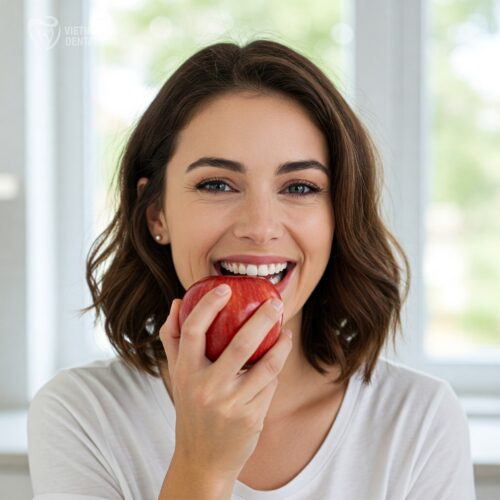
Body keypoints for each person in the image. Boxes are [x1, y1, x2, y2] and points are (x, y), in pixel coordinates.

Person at [27, 39, 476, 500]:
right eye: (217, 184)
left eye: (300, 187)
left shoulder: (419, 419)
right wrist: (202, 466)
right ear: (156, 214)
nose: (260, 228)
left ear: (338, 215)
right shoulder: (81, 414)